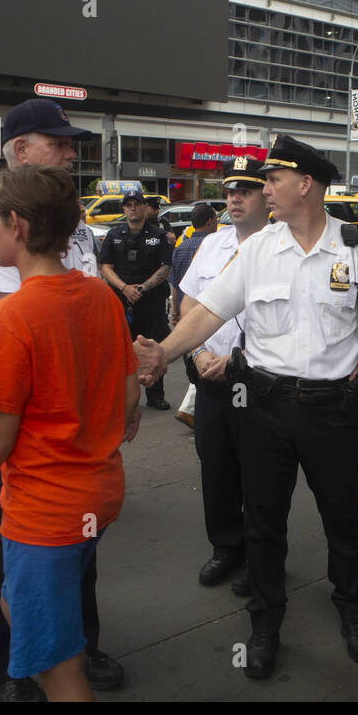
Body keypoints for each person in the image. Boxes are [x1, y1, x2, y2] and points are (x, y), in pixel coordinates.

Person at [133, 135, 358, 679]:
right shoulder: (258, 249)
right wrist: (163, 354)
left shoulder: (356, 245)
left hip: (333, 411)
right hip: (263, 408)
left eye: (272, 180)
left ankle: (353, 610)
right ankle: (264, 624)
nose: (264, 189)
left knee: (343, 518)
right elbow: (210, 311)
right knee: (264, 523)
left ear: (304, 184)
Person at [0, 166, 140, 702]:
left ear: (16, 224)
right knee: (29, 609)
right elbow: (129, 397)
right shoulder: (100, 297)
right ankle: (65, 645)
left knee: (60, 673)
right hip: (99, 496)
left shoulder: (12, 317)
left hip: (44, 513)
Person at [0, 98, 122, 698]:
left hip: (49, 465)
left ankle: (57, 657)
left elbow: (43, 306)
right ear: (20, 150)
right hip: (29, 420)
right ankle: (17, 668)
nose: (71, 152)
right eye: (59, 142)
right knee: (0, 578)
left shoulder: (63, 226)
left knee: (51, 595)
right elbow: (23, 311)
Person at [180, 156, 270, 596]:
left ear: (266, 196)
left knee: (260, 473)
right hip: (210, 380)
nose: (234, 198)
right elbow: (187, 306)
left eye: (246, 190)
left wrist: (238, 359)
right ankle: (226, 547)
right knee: (215, 467)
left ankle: (261, 556)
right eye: (231, 190)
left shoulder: (280, 245)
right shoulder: (212, 244)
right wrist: (196, 351)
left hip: (257, 383)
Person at [99, 191, 173, 411]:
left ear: (143, 207)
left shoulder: (158, 235)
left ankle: (155, 394)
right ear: (124, 209)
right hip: (122, 301)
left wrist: (141, 288)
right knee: (121, 349)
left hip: (150, 301)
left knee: (152, 346)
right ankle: (124, 395)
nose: (133, 208)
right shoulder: (114, 234)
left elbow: (165, 267)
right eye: (128, 205)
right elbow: (105, 267)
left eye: (137, 204)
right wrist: (124, 288)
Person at [168, 202, 218, 429]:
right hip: (208, 316)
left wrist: (175, 311)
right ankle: (191, 410)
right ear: (209, 222)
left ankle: (192, 410)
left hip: (187, 313)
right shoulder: (212, 247)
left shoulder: (181, 246)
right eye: (215, 220)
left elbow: (175, 283)